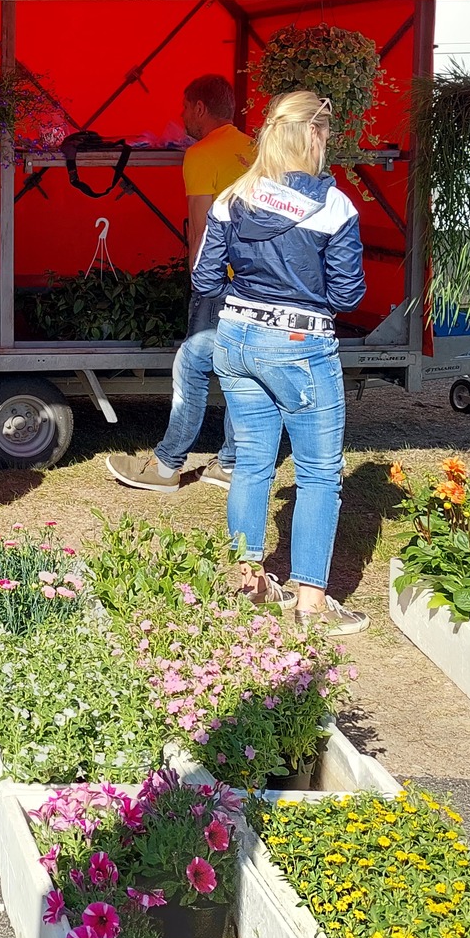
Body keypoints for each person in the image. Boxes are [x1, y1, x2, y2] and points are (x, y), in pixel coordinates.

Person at [191, 91, 369, 634]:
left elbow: (202, 279)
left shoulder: (232, 197)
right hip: (302, 344)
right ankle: (310, 604)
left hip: (237, 339)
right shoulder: (335, 207)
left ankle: (247, 580)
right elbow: (348, 294)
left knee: (251, 465)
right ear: (314, 136)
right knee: (318, 474)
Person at [110, 74, 255, 492]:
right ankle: (230, 462)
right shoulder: (257, 149)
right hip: (256, 282)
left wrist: (198, 284)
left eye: (183, 107)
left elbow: (200, 229)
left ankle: (167, 465)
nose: (180, 116)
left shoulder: (202, 153)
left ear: (199, 108)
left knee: (190, 370)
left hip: (220, 282)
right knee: (240, 376)